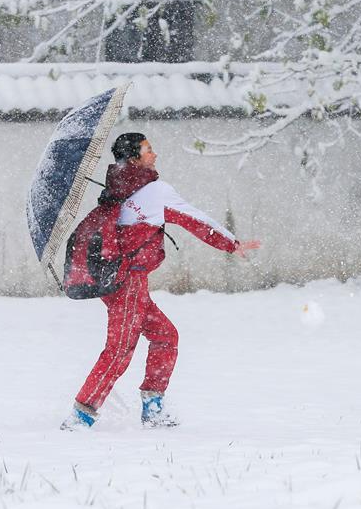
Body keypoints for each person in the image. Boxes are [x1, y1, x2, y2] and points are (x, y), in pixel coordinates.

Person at [61, 133, 260, 430]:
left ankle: (153, 407)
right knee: (119, 351)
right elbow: (194, 219)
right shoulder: (153, 191)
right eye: (148, 150)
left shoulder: (122, 187)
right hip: (127, 282)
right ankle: (81, 416)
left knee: (165, 336)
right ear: (134, 159)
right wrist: (231, 244)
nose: (155, 155)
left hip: (122, 280)